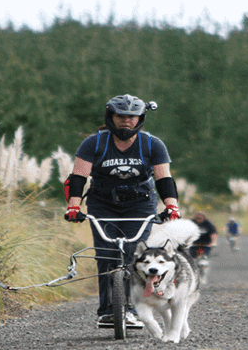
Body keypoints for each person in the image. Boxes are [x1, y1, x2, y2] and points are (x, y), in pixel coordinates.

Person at [63, 94, 181, 328]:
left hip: (140, 203)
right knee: (106, 253)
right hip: (102, 202)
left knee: (131, 253)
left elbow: (164, 179)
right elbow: (78, 177)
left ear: (140, 119)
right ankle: (108, 311)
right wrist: (74, 206)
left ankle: (132, 309)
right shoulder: (94, 143)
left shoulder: (151, 144)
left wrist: (171, 206)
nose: (126, 121)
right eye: (121, 116)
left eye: (132, 117)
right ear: (111, 117)